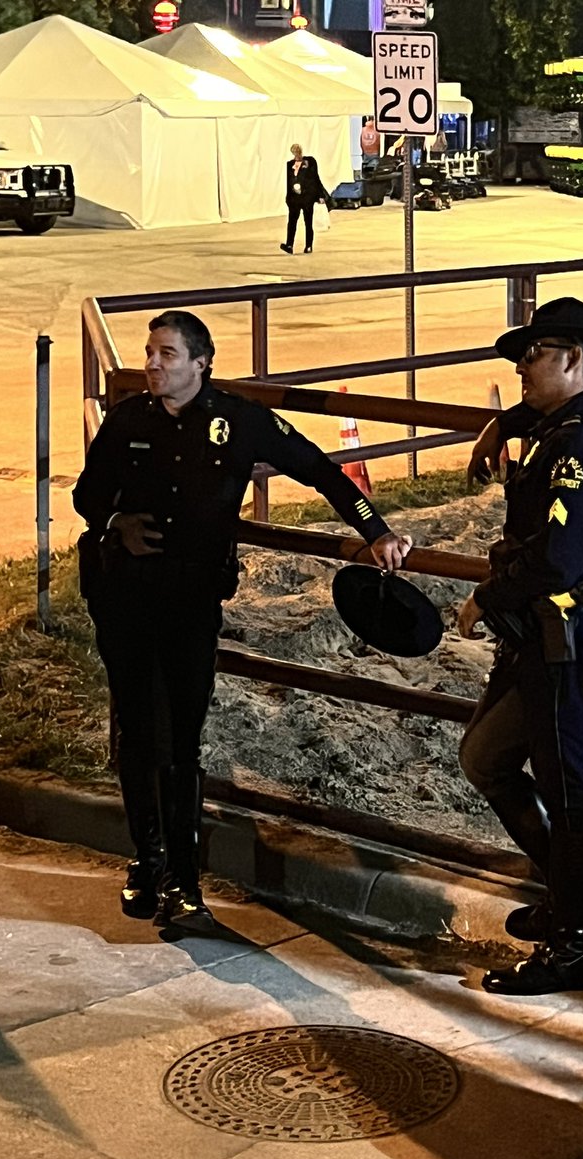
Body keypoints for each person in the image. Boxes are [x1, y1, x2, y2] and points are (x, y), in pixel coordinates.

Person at [73, 310, 412, 932]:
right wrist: (114, 524)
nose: (152, 364)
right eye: (151, 352)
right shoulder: (126, 421)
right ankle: (146, 863)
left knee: (180, 736)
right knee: (139, 734)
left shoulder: (240, 421)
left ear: (202, 362)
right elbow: (86, 494)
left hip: (190, 601)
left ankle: (183, 882)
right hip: (124, 596)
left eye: (167, 354)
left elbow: (322, 470)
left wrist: (375, 530)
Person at [457, 297, 583, 996]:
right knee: (486, 758)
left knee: (569, 795)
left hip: (571, 636)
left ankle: (576, 942)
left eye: (531, 355)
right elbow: (538, 421)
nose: (518, 368)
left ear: (572, 358)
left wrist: (487, 595)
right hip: (545, 637)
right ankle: (576, 901)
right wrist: (502, 423)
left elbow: (559, 562)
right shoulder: (573, 423)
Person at [281, 143, 329, 255]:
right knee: (292, 222)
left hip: (307, 198)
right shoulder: (289, 165)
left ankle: (308, 245)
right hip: (294, 199)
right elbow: (288, 182)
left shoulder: (309, 162)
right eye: (294, 152)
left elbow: (315, 179)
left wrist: (320, 195)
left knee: (308, 222)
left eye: (298, 151)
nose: (297, 154)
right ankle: (289, 245)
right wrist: (288, 198)